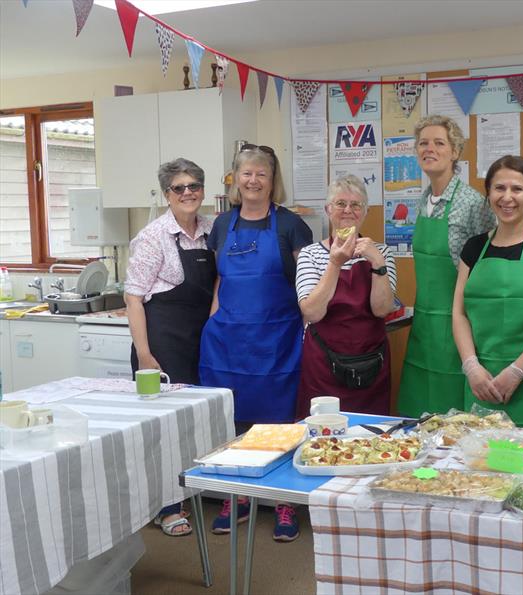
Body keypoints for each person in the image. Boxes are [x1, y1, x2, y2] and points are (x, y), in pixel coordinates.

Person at [199, 145, 312, 540]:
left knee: (282, 421)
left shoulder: (291, 225)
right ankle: (237, 494)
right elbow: (220, 279)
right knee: (233, 420)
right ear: (235, 178)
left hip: (277, 338)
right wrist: (214, 317)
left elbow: (305, 281)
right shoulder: (220, 224)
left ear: (272, 181)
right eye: (246, 173)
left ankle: (285, 501)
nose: (253, 180)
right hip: (227, 339)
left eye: (261, 174)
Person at [125, 157, 216, 537]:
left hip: (200, 336)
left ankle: (188, 493)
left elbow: (219, 282)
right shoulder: (152, 237)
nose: (188, 193)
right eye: (179, 187)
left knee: (192, 421)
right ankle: (165, 508)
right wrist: (145, 355)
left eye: (194, 185)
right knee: (163, 427)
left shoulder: (213, 230)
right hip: (161, 338)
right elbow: (133, 299)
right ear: (167, 194)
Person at [452, 155, 523, 426]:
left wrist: (517, 371)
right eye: (499, 188)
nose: (507, 197)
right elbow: (459, 313)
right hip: (480, 383)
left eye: (517, 189)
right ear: (489, 194)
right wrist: (471, 367)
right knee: (479, 462)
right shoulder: (473, 247)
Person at [397, 115, 495, 418]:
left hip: (460, 329)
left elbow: (486, 269)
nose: (430, 149)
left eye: (439, 143)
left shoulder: (473, 203)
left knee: (455, 420)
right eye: (423, 143)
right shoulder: (422, 202)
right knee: (419, 421)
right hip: (424, 327)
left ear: (455, 151)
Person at [295, 175, 397, 416]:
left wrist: (378, 263)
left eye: (356, 205)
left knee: (371, 436)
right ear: (328, 210)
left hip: (372, 363)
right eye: (340, 204)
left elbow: (382, 309)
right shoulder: (310, 255)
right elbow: (311, 311)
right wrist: (334, 263)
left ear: (365, 212)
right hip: (323, 366)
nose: (348, 210)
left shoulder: (381, 252)